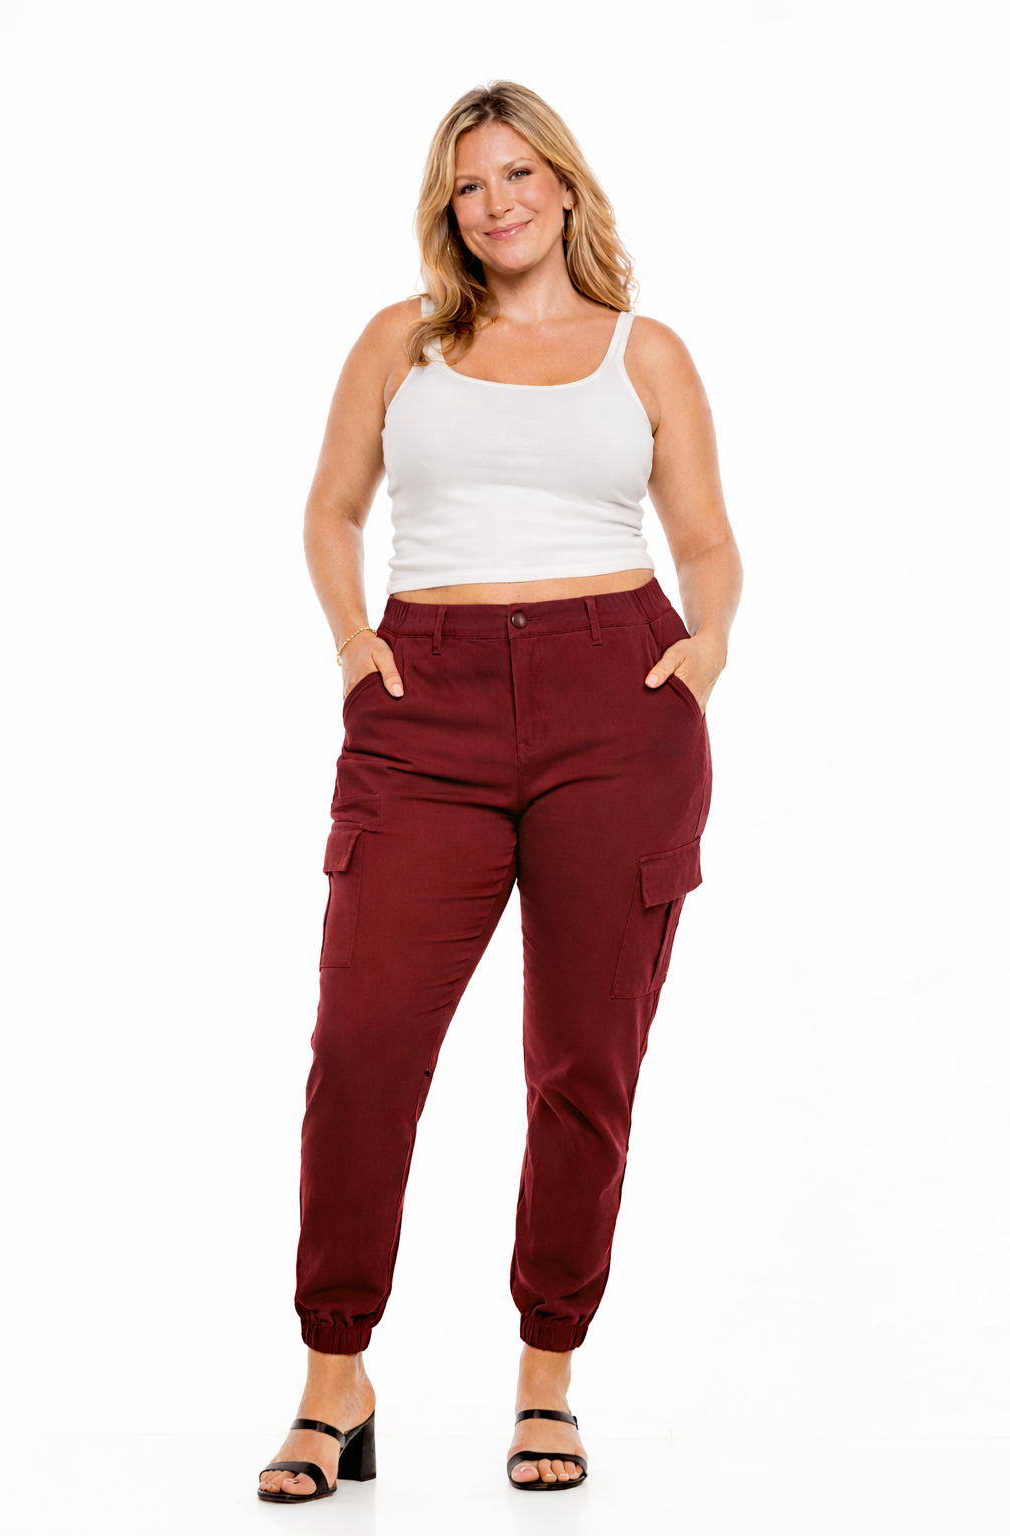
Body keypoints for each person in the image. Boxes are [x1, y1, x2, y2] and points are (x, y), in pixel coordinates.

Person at [258, 79, 742, 1503]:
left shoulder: (645, 352)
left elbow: (707, 539)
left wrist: (706, 647)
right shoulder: (401, 342)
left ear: (567, 186)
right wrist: (355, 641)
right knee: (364, 1045)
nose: (497, 201)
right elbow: (331, 507)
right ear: (448, 210)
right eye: (469, 183)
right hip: (427, 704)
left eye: (519, 172)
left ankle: (548, 1375)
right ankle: (334, 1378)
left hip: (617, 700)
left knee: (584, 1062)